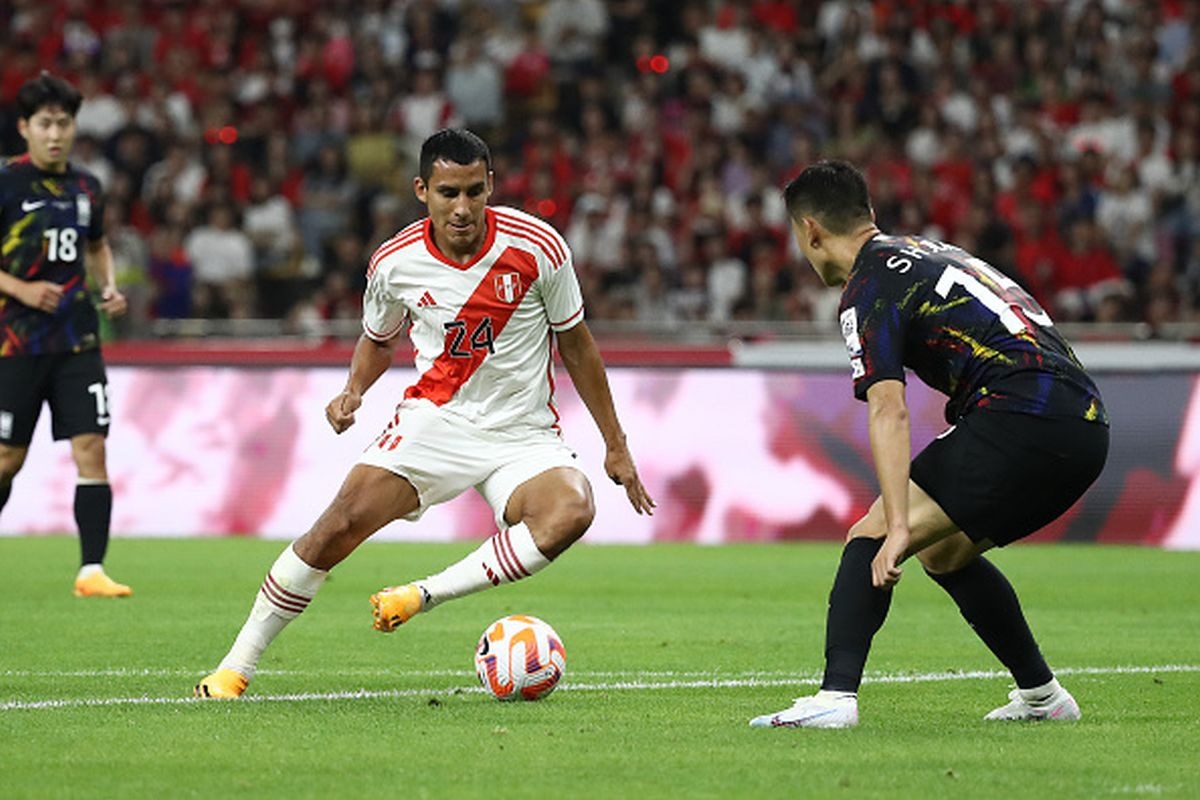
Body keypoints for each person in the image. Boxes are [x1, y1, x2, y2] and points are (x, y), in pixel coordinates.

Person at [195, 128, 655, 698]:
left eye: (473, 191)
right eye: (447, 193)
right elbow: (378, 338)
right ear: (422, 190)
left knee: (571, 509)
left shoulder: (538, 246)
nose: (461, 208)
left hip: (522, 434)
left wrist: (616, 442)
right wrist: (353, 391)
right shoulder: (395, 263)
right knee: (334, 529)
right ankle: (236, 666)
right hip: (434, 422)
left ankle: (421, 595)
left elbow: (578, 344)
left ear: (490, 186)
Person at [750, 160, 1108, 728]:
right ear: (868, 215)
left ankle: (835, 699)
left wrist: (896, 524)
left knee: (870, 533)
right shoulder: (924, 251)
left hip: (1022, 414)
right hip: (1085, 424)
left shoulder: (868, 288)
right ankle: (1043, 696)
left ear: (810, 230)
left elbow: (888, 410)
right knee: (945, 552)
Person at [0, 73, 131, 598]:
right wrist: (21, 290)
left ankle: (91, 571)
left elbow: (97, 245)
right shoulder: (6, 183)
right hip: (15, 342)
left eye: (64, 123)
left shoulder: (87, 186)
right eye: (46, 124)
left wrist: (110, 287)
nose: (56, 133)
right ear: (24, 128)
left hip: (77, 338)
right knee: (8, 457)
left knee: (91, 446)